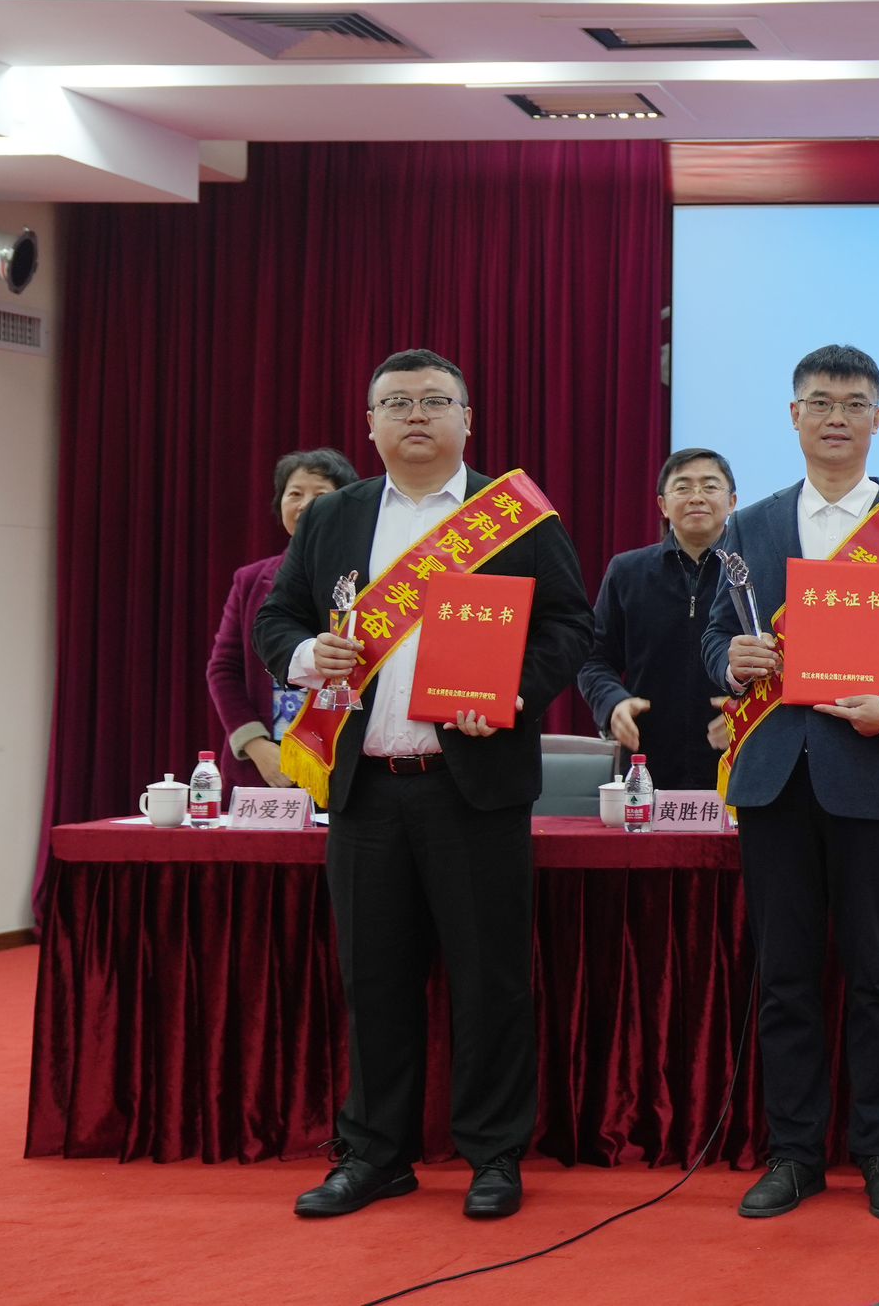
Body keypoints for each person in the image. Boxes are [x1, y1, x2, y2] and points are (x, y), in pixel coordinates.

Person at [254, 350, 593, 1220]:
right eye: (396, 402)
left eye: (435, 401)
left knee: (489, 981)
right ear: (369, 423)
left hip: (473, 788)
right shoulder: (333, 516)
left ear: (466, 420)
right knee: (373, 980)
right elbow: (276, 618)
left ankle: (493, 1154)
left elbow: (569, 624)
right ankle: (376, 1154)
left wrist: (514, 695)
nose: (415, 414)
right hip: (365, 790)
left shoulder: (513, 517)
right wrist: (309, 654)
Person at [704, 345, 879, 1221]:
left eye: (854, 403)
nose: (836, 417)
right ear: (794, 416)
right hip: (774, 779)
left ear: (877, 419)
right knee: (784, 978)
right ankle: (794, 1153)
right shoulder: (750, 526)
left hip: (873, 778)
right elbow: (713, 639)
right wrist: (733, 659)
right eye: (820, 402)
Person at [578, 447, 741, 790]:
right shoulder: (627, 571)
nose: (697, 496)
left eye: (710, 486)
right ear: (663, 505)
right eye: (683, 487)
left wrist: (748, 713)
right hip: (649, 763)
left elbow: (785, 661)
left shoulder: (754, 572)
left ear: (732, 502)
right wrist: (613, 703)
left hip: (739, 761)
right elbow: (593, 659)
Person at [208, 447, 358, 787]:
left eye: (320, 494)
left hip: (345, 761)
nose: (305, 505)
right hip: (267, 766)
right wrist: (256, 745)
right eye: (295, 494)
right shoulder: (250, 580)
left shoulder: (368, 579)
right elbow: (223, 670)